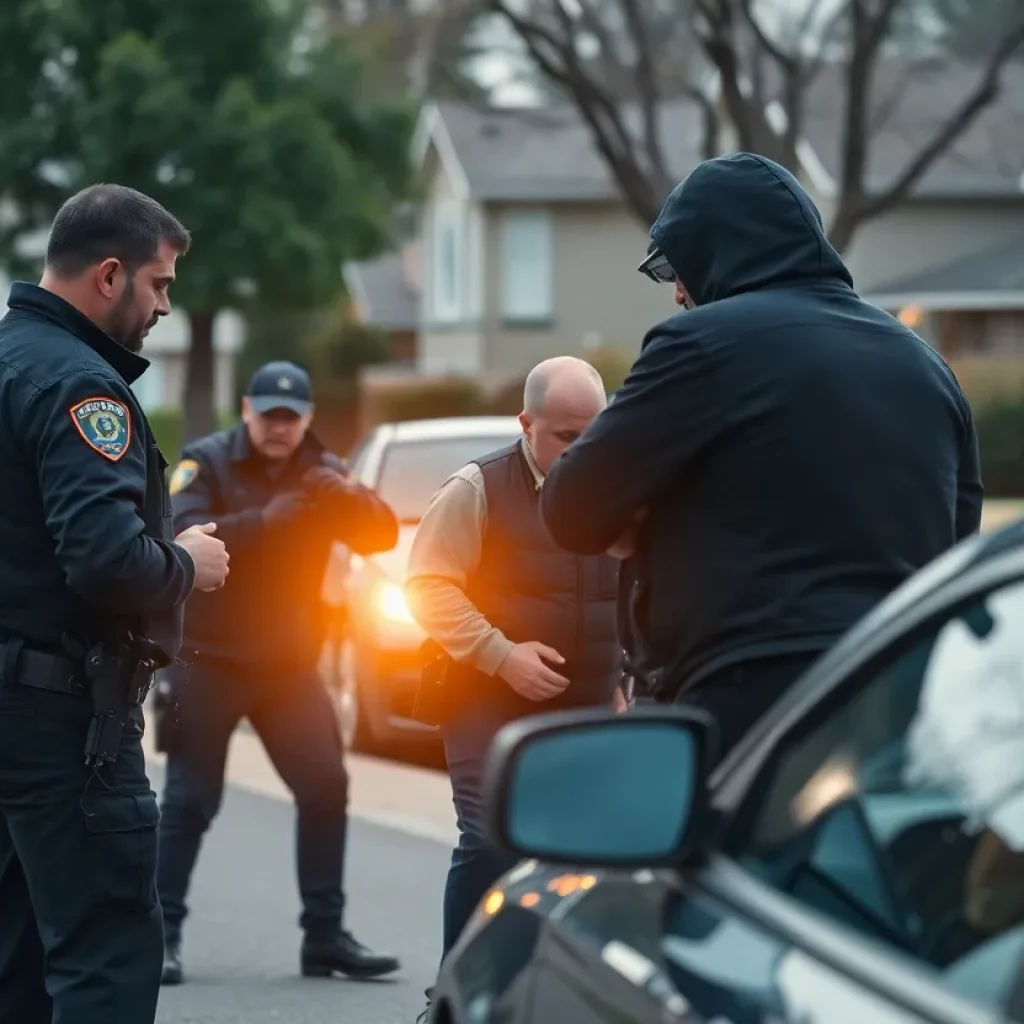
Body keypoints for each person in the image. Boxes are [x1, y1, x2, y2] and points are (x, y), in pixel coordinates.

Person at [541, 152, 983, 760]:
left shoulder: (700, 346)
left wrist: (651, 521)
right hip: (897, 711)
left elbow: (570, 506)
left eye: (681, 265)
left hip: (742, 707)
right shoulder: (926, 367)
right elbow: (959, 551)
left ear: (718, 252)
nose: (677, 291)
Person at [0, 184, 230, 1024]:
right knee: (104, 957)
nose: (166, 304)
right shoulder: (81, 388)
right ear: (109, 275)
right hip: (63, 722)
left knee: (18, 963)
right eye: (160, 284)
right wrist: (185, 564)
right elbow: (104, 561)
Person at [155, 360, 401, 985]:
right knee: (189, 801)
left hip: (289, 666)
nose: (279, 428)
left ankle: (324, 937)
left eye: (291, 418)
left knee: (325, 787)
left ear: (308, 419)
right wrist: (266, 524)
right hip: (208, 660)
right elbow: (179, 531)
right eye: (269, 415)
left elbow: (379, 537)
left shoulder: (324, 468)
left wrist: (346, 497)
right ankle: (159, 937)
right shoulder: (207, 461)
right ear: (247, 410)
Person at [405, 356, 627, 1016]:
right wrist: (501, 655)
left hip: (587, 702)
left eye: (594, 433)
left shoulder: (619, 491)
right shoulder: (476, 487)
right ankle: (454, 994)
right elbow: (425, 585)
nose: (581, 450)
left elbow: (642, 590)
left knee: (577, 855)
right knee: (491, 840)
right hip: (485, 701)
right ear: (526, 424)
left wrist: (630, 679)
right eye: (565, 436)